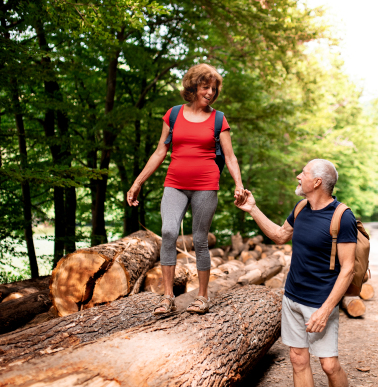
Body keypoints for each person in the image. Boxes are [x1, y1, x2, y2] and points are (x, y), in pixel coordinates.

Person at [127, 63, 245, 315]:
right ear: (193, 87)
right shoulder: (173, 114)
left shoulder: (219, 119)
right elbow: (161, 151)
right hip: (175, 184)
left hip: (205, 185)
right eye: (205, 87)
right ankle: (167, 296)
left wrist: (238, 184)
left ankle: (202, 297)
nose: (210, 92)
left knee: (200, 239)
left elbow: (230, 156)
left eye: (214, 88)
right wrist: (138, 182)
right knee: (169, 233)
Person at [235, 159, 357, 387]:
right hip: (292, 298)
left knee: (329, 365)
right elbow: (280, 235)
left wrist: (326, 310)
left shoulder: (342, 217)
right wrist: (252, 208)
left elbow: (348, 269)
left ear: (317, 182)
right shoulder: (301, 208)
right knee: (298, 359)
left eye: (303, 173)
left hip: (320, 302)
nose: (299, 177)